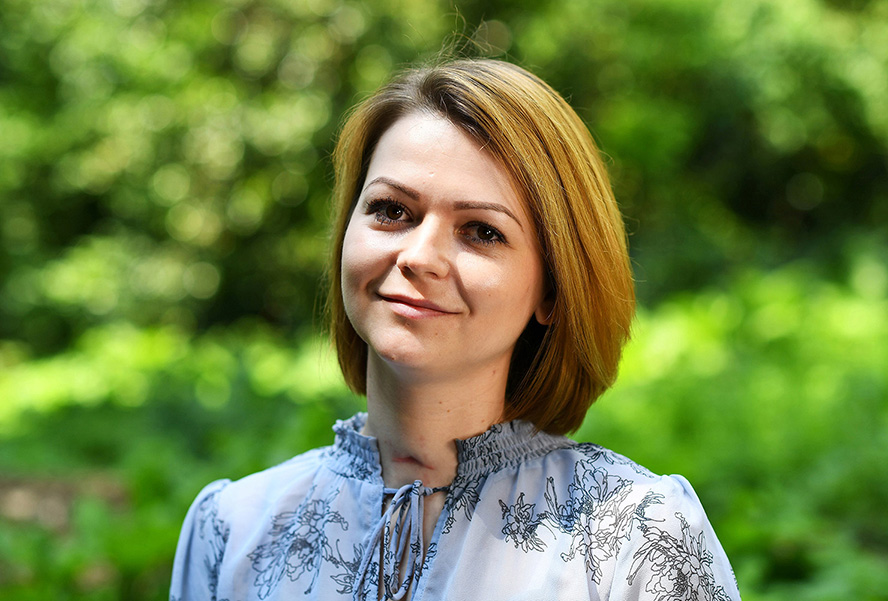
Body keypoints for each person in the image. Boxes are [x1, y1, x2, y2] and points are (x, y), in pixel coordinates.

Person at [170, 58, 741, 601]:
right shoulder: (231, 529)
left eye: (481, 232)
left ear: (551, 289)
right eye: (392, 210)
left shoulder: (636, 538)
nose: (420, 256)